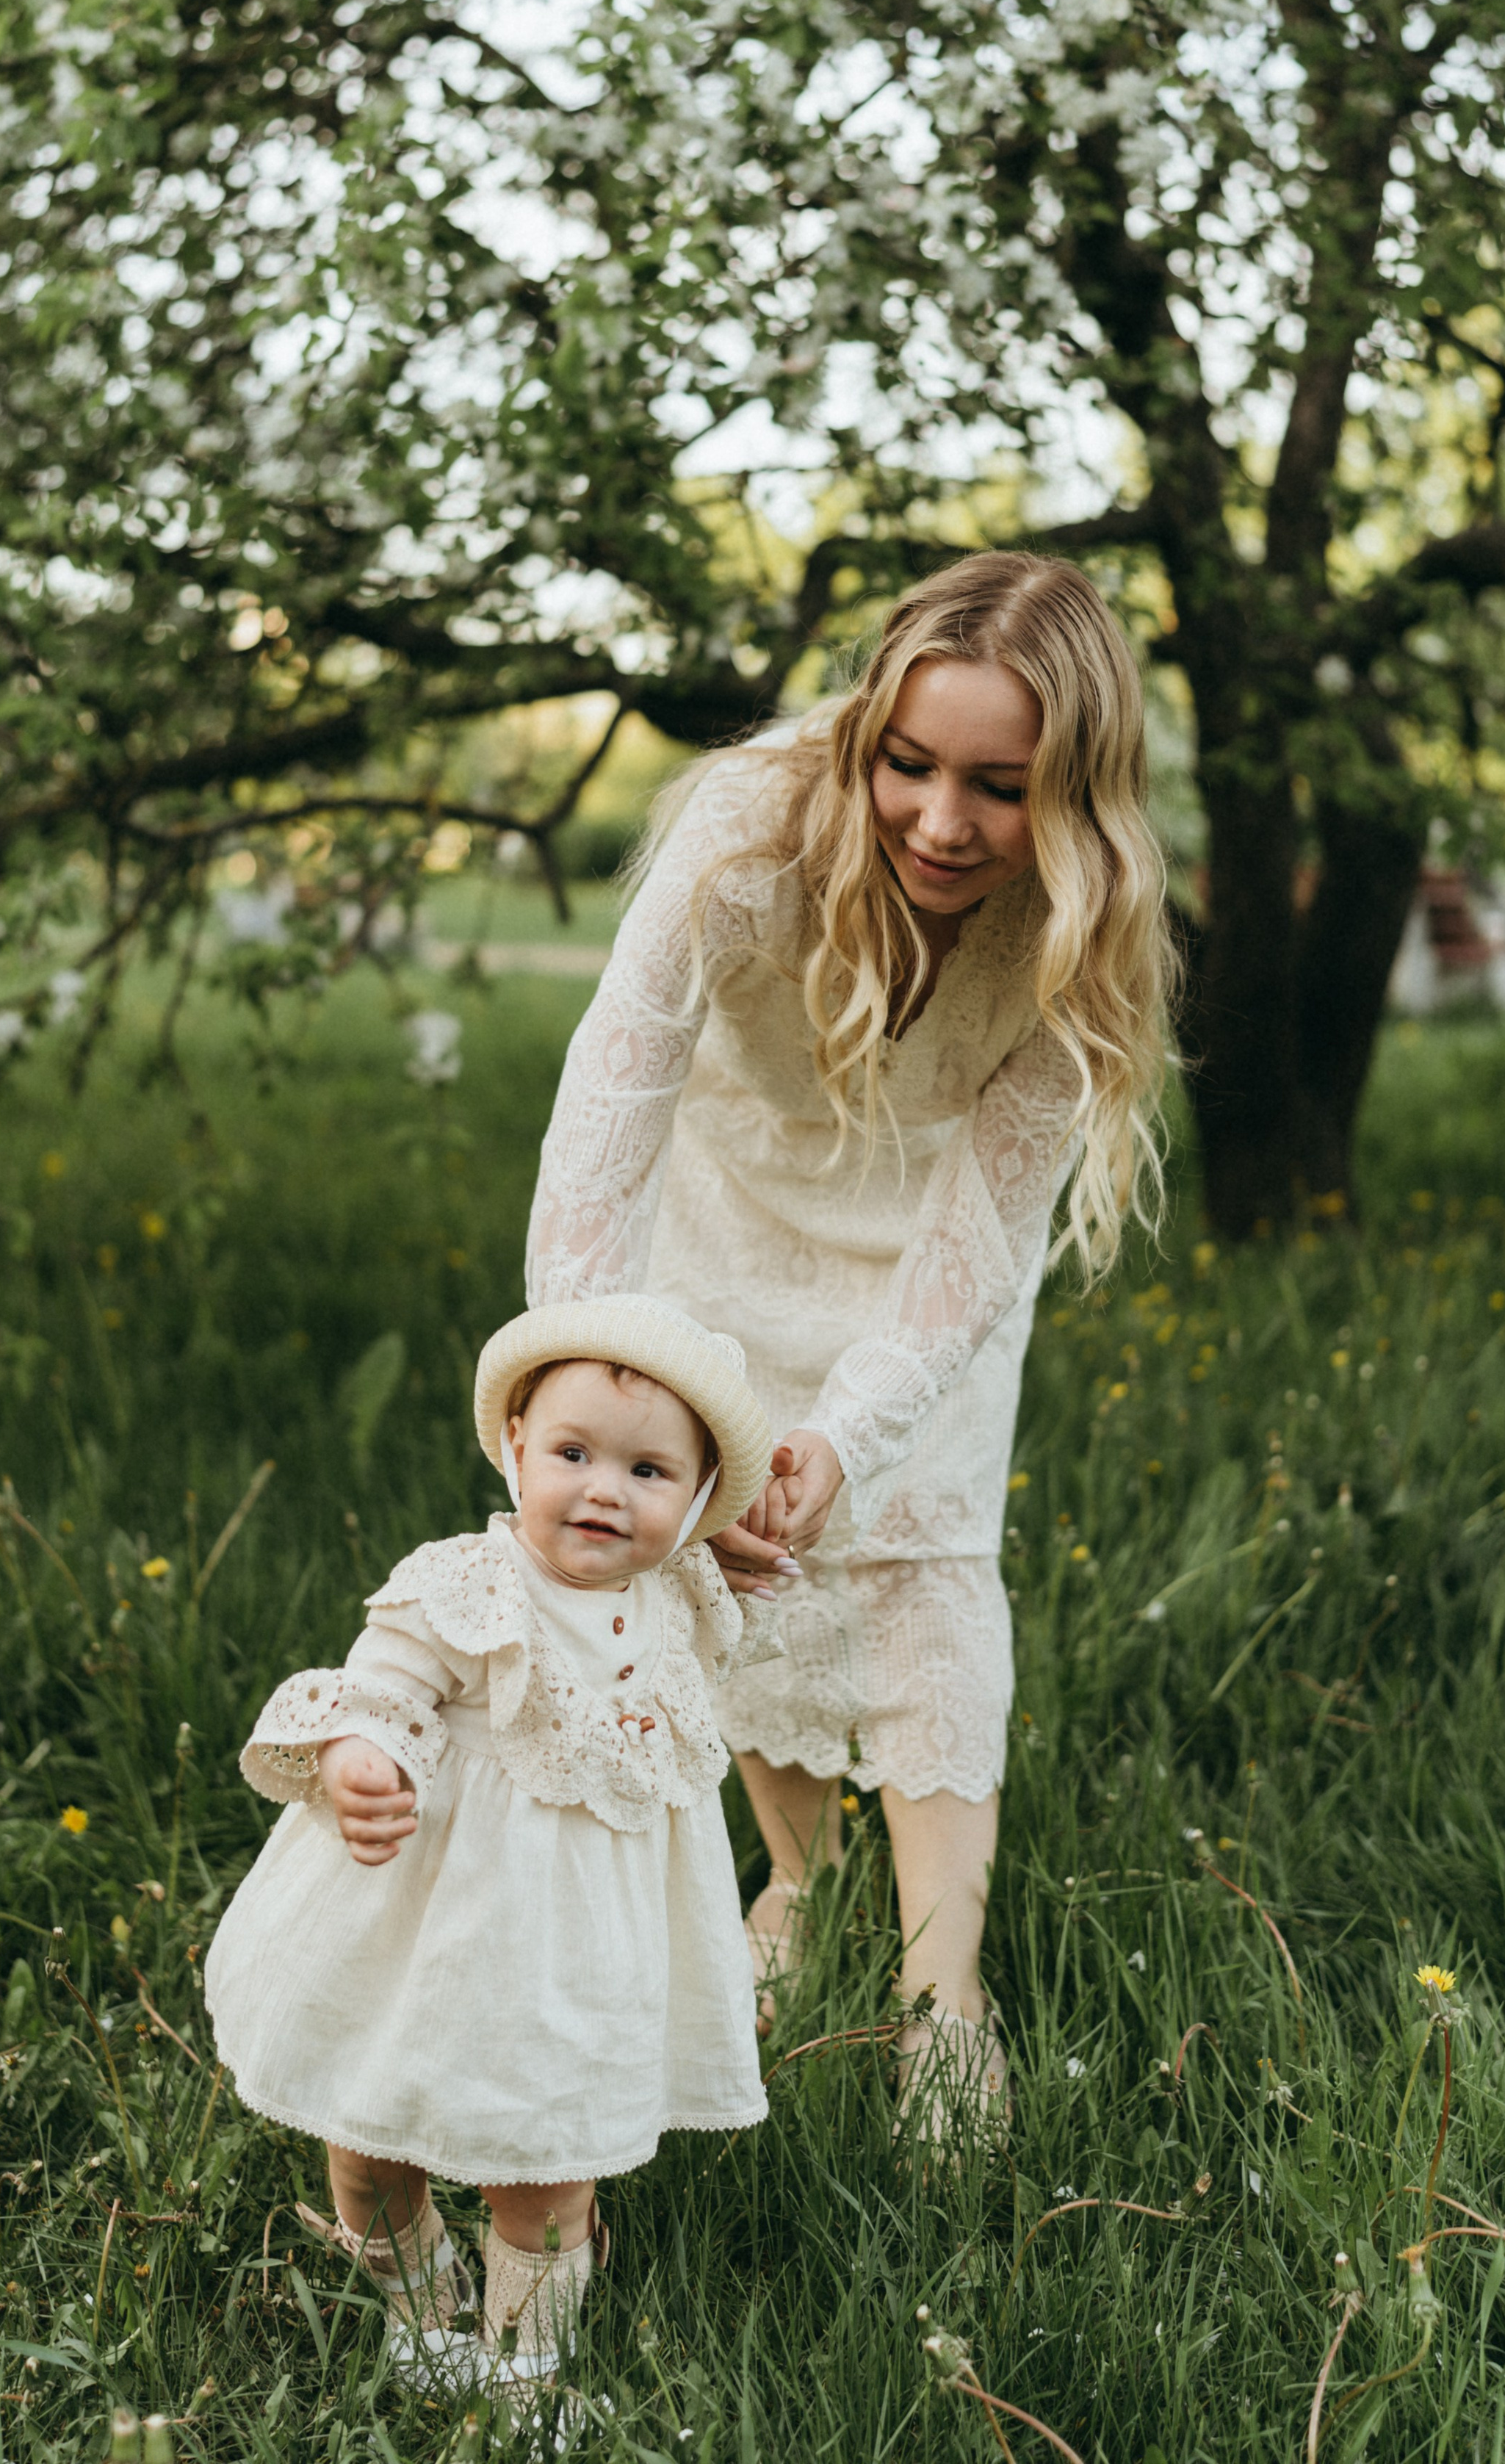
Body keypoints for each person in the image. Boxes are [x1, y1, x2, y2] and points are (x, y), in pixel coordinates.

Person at [525, 552, 1172, 2139]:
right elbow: (608, 1113)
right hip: (724, 1225)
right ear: (864, 737)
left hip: (923, 1272)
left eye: (1000, 788)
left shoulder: (1080, 933)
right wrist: (589, 1371)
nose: (942, 823)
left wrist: (849, 1435)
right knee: (743, 1578)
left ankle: (942, 1993)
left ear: (1077, 794)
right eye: (909, 765)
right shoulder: (744, 841)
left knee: (925, 1567)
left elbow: (983, 1238)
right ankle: (800, 1882)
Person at [204, 1294, 774, 2382]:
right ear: (516, 1447)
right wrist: (358, 1758)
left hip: (580, 1949)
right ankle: (417, 2312)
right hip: (427, 1912)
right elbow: (380, 1688)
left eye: (650, 1473)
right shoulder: (470, 1585)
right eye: (573, 1452)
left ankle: (524, 2366)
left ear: (697, 1498)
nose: (605, 1488)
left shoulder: (681, 1598)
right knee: (369, 2131)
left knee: (550, 2168)